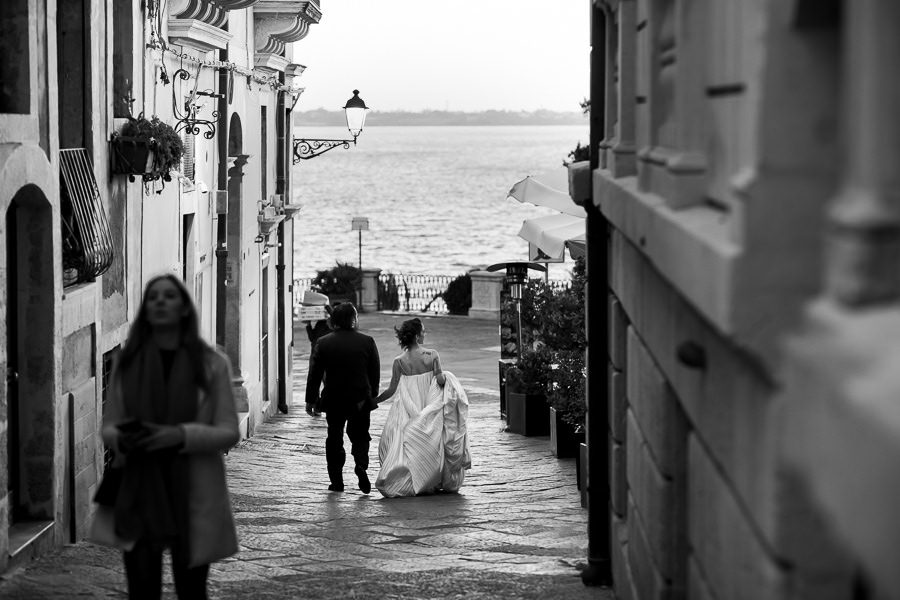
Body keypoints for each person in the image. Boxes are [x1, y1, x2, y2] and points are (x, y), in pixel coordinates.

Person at [100, 274, 240, 600]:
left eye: (169, 296)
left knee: (192, 590)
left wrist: (178, 436)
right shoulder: (127, 363)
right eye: (153, 297)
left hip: (193, 489)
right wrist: (126, 439)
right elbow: (109, 426)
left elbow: (228, 431)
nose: (161, 302)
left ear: (184, 309)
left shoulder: (213, 364)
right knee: (141, 589)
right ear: (146, 309)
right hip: (138, 486)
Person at [374, 318, 471, 498]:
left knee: (407, 441)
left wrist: (375, 401)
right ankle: (433, 477)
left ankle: (412, 478)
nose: (425, 334)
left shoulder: (399, 361)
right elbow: (441, 380)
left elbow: (392, 390)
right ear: (418, 336)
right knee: (434, 439)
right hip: (429, 403)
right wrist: (447, 378)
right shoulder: (432, 355)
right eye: (423, 331)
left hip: (409, 407)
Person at [305, 302, 380, 493]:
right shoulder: (367, 341)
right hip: (360, 399)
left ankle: (337, 481)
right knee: (361, 436)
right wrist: (372, 395)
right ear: (354, 319)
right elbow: (374, 373)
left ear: (333, 321)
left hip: (334, 398)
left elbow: (314, 373)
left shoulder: (324, 342)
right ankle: (361, 466)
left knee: (334, 438)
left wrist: (311, 399)